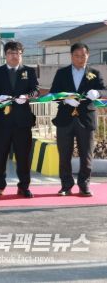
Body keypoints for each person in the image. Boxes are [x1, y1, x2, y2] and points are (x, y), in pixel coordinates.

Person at [49, 42, 106, 197]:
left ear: (88, 55)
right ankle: (66, 185)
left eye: (83, 56)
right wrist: (65, 100)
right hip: (65, 119)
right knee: (64, 155)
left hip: (86, 118)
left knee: (86, 155)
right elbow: (53, 94)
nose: (80, 59)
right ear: (71, 56)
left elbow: (104, 90)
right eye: (77, 56)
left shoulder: (94, 73)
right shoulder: (62, 73)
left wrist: (98, 93)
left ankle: (84, 185)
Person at [0, 40, 39, 198]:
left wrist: (26, 96)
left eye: (17, 53)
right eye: (10, 53)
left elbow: (36, 90)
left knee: (23, 157)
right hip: (2, 122)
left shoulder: (29, 71)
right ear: (5, 55)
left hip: (22, 122)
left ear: (21, 55)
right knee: (0, 156)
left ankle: (24, 186)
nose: (14, 56)